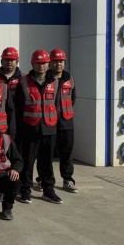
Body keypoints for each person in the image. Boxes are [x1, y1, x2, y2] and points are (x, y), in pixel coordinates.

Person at [15, 49, 62, 204]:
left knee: (47, 162)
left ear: (48, 64)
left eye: (44, 63)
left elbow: (56, 105)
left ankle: (48, 191)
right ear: (32, 64)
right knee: (28, 162)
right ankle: (25, 191)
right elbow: (18, 106)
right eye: (38, 63)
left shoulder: (55, 82)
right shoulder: (23, 81)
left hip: (49, 128)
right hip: (30, 128)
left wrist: (53, 123)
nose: (41, 66)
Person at [48, 48, 78, 193]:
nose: (58, 64)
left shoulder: (69, 78)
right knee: (46, 153)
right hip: (48, 122)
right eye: (55, 61)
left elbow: (73, 98)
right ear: (50, 63)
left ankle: (68, 179)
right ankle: (44, 179)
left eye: (61, 61)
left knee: (67, 152)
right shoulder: (45, 78)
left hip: (66, 122)